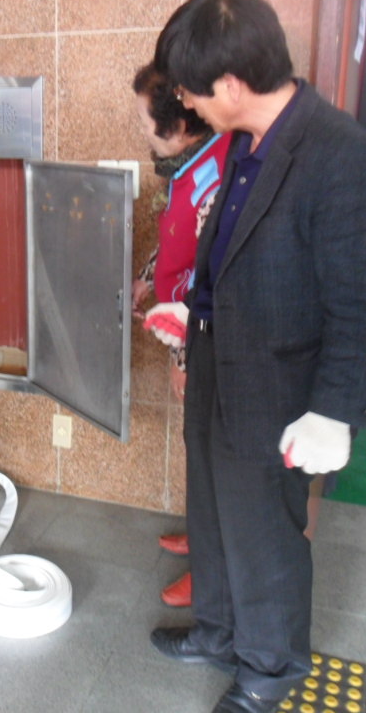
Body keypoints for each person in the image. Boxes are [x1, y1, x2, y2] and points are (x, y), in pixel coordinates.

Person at [144, 0, 366, 713]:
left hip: (280, 384)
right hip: (217, 361)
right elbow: (231, 251)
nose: (187, 105)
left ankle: (269, 667)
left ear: (230, 84)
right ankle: (220, 633)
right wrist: (190, 312)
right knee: (214, 511)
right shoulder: (244, 143)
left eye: (191, 92)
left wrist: (335, 412)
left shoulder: (343, 157)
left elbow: (359, 305)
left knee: (265, 533)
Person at [132, 61, 232, 608]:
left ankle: (210, 572)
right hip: (187, 331)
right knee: (200, 446)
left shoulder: (216, 176)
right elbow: (178, 240)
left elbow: (209, 280)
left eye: (146, 121)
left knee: (212, 453)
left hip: (204, 342)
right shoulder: (192, 165)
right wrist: (147, 279)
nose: (143, 131)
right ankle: (202, 534)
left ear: (178, 124)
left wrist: (183, 359)